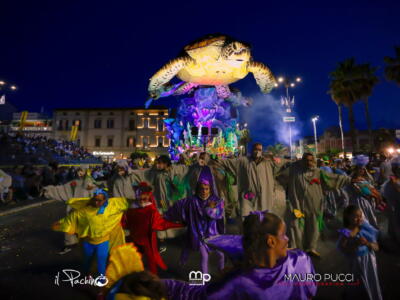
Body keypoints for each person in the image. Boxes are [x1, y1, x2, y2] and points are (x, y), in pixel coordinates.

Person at [163, 211, 317, 300]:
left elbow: (194, 295)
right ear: (271, 241)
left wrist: (159, 284)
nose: (287, 239)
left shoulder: (238, 280)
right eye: (283, 235)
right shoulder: (301, 260)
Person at [277, 153, 350, 257]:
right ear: (302, 161)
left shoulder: (318, 172)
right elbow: (280, 177)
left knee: (314, 226)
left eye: (311, 160)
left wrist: (349, 180)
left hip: (314, 205)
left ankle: (311, 248)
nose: (309, 162)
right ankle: (296, 248)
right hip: (297, 205)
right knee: (296, 226)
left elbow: (333, 178)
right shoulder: (293, 170)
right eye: (306, 160)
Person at [52, 189, 129, 279]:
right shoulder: (85, 211)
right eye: (95, 200)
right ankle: (88, 276)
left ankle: (101, 285)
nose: (96, 202)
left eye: (99, 200)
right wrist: (60, 224)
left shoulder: (111, 208)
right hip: (88, 243)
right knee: (87, 262)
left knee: (101, 263)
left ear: (105, 200)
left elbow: (126, 203)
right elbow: (71, 219)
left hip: (103, 242)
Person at [165, 167, 225, 274]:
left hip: (212, 235)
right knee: (204, 256)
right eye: (202, 189)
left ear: (210, 189)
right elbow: (178, 207)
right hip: (197, 234)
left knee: (221, 254)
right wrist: (166, 214)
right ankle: (204, 281)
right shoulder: (191, 201)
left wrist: (210, 208)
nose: (204, 191)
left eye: (206, 189)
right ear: (198, 189)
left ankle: (222, 270)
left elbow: (218, 215)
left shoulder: (216, 201)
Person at [124, 183, 183, 275]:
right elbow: (125, 223)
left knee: (151, 260)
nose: (142, 200)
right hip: (134, 239)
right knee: (133, 260)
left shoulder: (151, 210)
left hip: (147, 240)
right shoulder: (131, 209)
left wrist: (178, 225)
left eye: (144, 198)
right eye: (139, 198)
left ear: (148, 196)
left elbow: (162, 224)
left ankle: (153, 279)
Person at [212, 142, 278, 217]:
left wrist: (272, 158)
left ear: (262, 151)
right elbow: (227, 162)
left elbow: (279, 166)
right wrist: (215, 160)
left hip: (263, 198)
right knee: (247, 218)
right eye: (255, 149)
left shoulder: (267, 163)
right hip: (248, 196)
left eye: (259, 150)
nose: (257, 152)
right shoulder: (243, 161)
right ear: (252, 150)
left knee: (262, 219)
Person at [44, 166, 97, 254]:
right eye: (78, 170)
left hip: (88, 210)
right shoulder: (73, 183)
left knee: (90, 227)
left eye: (82, 170)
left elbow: (97, 194)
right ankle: (70, 244)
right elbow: (62, 190)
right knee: (70, 226)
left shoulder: (92, 183)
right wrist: (48, 191)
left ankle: (93, 244)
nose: (80, 172)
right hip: (74, 210)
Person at [337, 205, 383, 300]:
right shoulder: (346, 233)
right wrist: (356, 244)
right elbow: (343, 249)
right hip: (355, 265)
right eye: (356, 217)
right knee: (359, 286)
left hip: (369, 263)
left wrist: (367, 243)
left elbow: (376, 247)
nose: (359, 219)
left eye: (360, 216)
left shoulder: (365, 229)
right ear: (348, 218)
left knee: (371, 283)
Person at [381, 156, 400, 244]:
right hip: (395, 208)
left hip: (394, 208)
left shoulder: (393, 181)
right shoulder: (391, 182)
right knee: (394, 221)